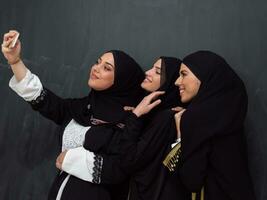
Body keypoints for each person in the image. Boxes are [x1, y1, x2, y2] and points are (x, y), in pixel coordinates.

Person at [1, 30, 145, 200]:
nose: (96, 69)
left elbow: (120, 169)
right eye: (97, 62)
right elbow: (41, 98)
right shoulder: (81, 108)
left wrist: (72, 158)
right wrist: (15, 61)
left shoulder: (129, 121)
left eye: (106, 68)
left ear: (121, 80)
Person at [56, 56, 191, 200]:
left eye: (157, 72)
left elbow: (130, 161)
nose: (147, 72)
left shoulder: (166, 117)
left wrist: (136, 117)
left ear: (169, 81)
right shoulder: (152, 114)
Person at [167, 50, 256, 200]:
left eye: (184, 74)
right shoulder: (230, 111)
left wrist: (179, 137)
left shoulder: (194, 118)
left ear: (203, 77)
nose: (177, 81)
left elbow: (191, 181)